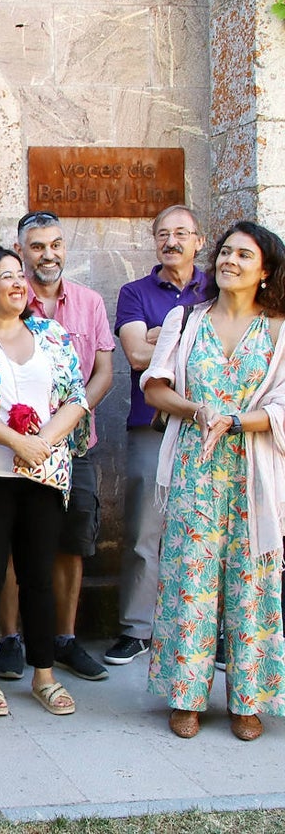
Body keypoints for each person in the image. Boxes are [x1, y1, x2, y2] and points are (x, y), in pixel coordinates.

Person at [142, 221, 285, 741]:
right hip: (195, 470)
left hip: (254, 474)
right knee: (191, 582)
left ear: (265, 271)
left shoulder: (278, 329)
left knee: (252, 584)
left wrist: (238, 420)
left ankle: (249, 699)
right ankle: (187, 696)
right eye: (226, 252)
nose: (230, 261)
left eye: (244, 255)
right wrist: (198, 410)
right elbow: (155, 388)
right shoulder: (185, 321)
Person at [0, 246, 88, 718]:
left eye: (19, 276)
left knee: (38, 575)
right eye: (5, 276)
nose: (17, 282)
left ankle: (44, 675)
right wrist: (15, 441)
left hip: (44, 473)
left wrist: (41, 443)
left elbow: (76, 396)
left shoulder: (50, 333)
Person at [0, 211, 114, 683]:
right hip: (13, 447)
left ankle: (64, 639)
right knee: (7, 539)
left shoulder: (88, 303)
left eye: (56, 245)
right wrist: (29, 438)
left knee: (72, 539)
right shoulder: (8, 301)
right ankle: (10, 638)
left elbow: (103, 371)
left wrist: (67, 419)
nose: (49, 254)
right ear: (20, 250)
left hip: (75, 444)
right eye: (38, 246)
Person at [104, 205, 210, 666]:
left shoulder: (218, 286)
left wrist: (163, 335)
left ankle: (214, 630)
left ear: (199, 241)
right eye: (163, 234)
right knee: (146, 531)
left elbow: (226, 347)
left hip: (213, 426)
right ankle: (137, 629)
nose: (172, 241)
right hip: (151, 425)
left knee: (211, 530)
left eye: (182, 233)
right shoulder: (134, 291)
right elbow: (135, 355)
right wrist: (187, 336)